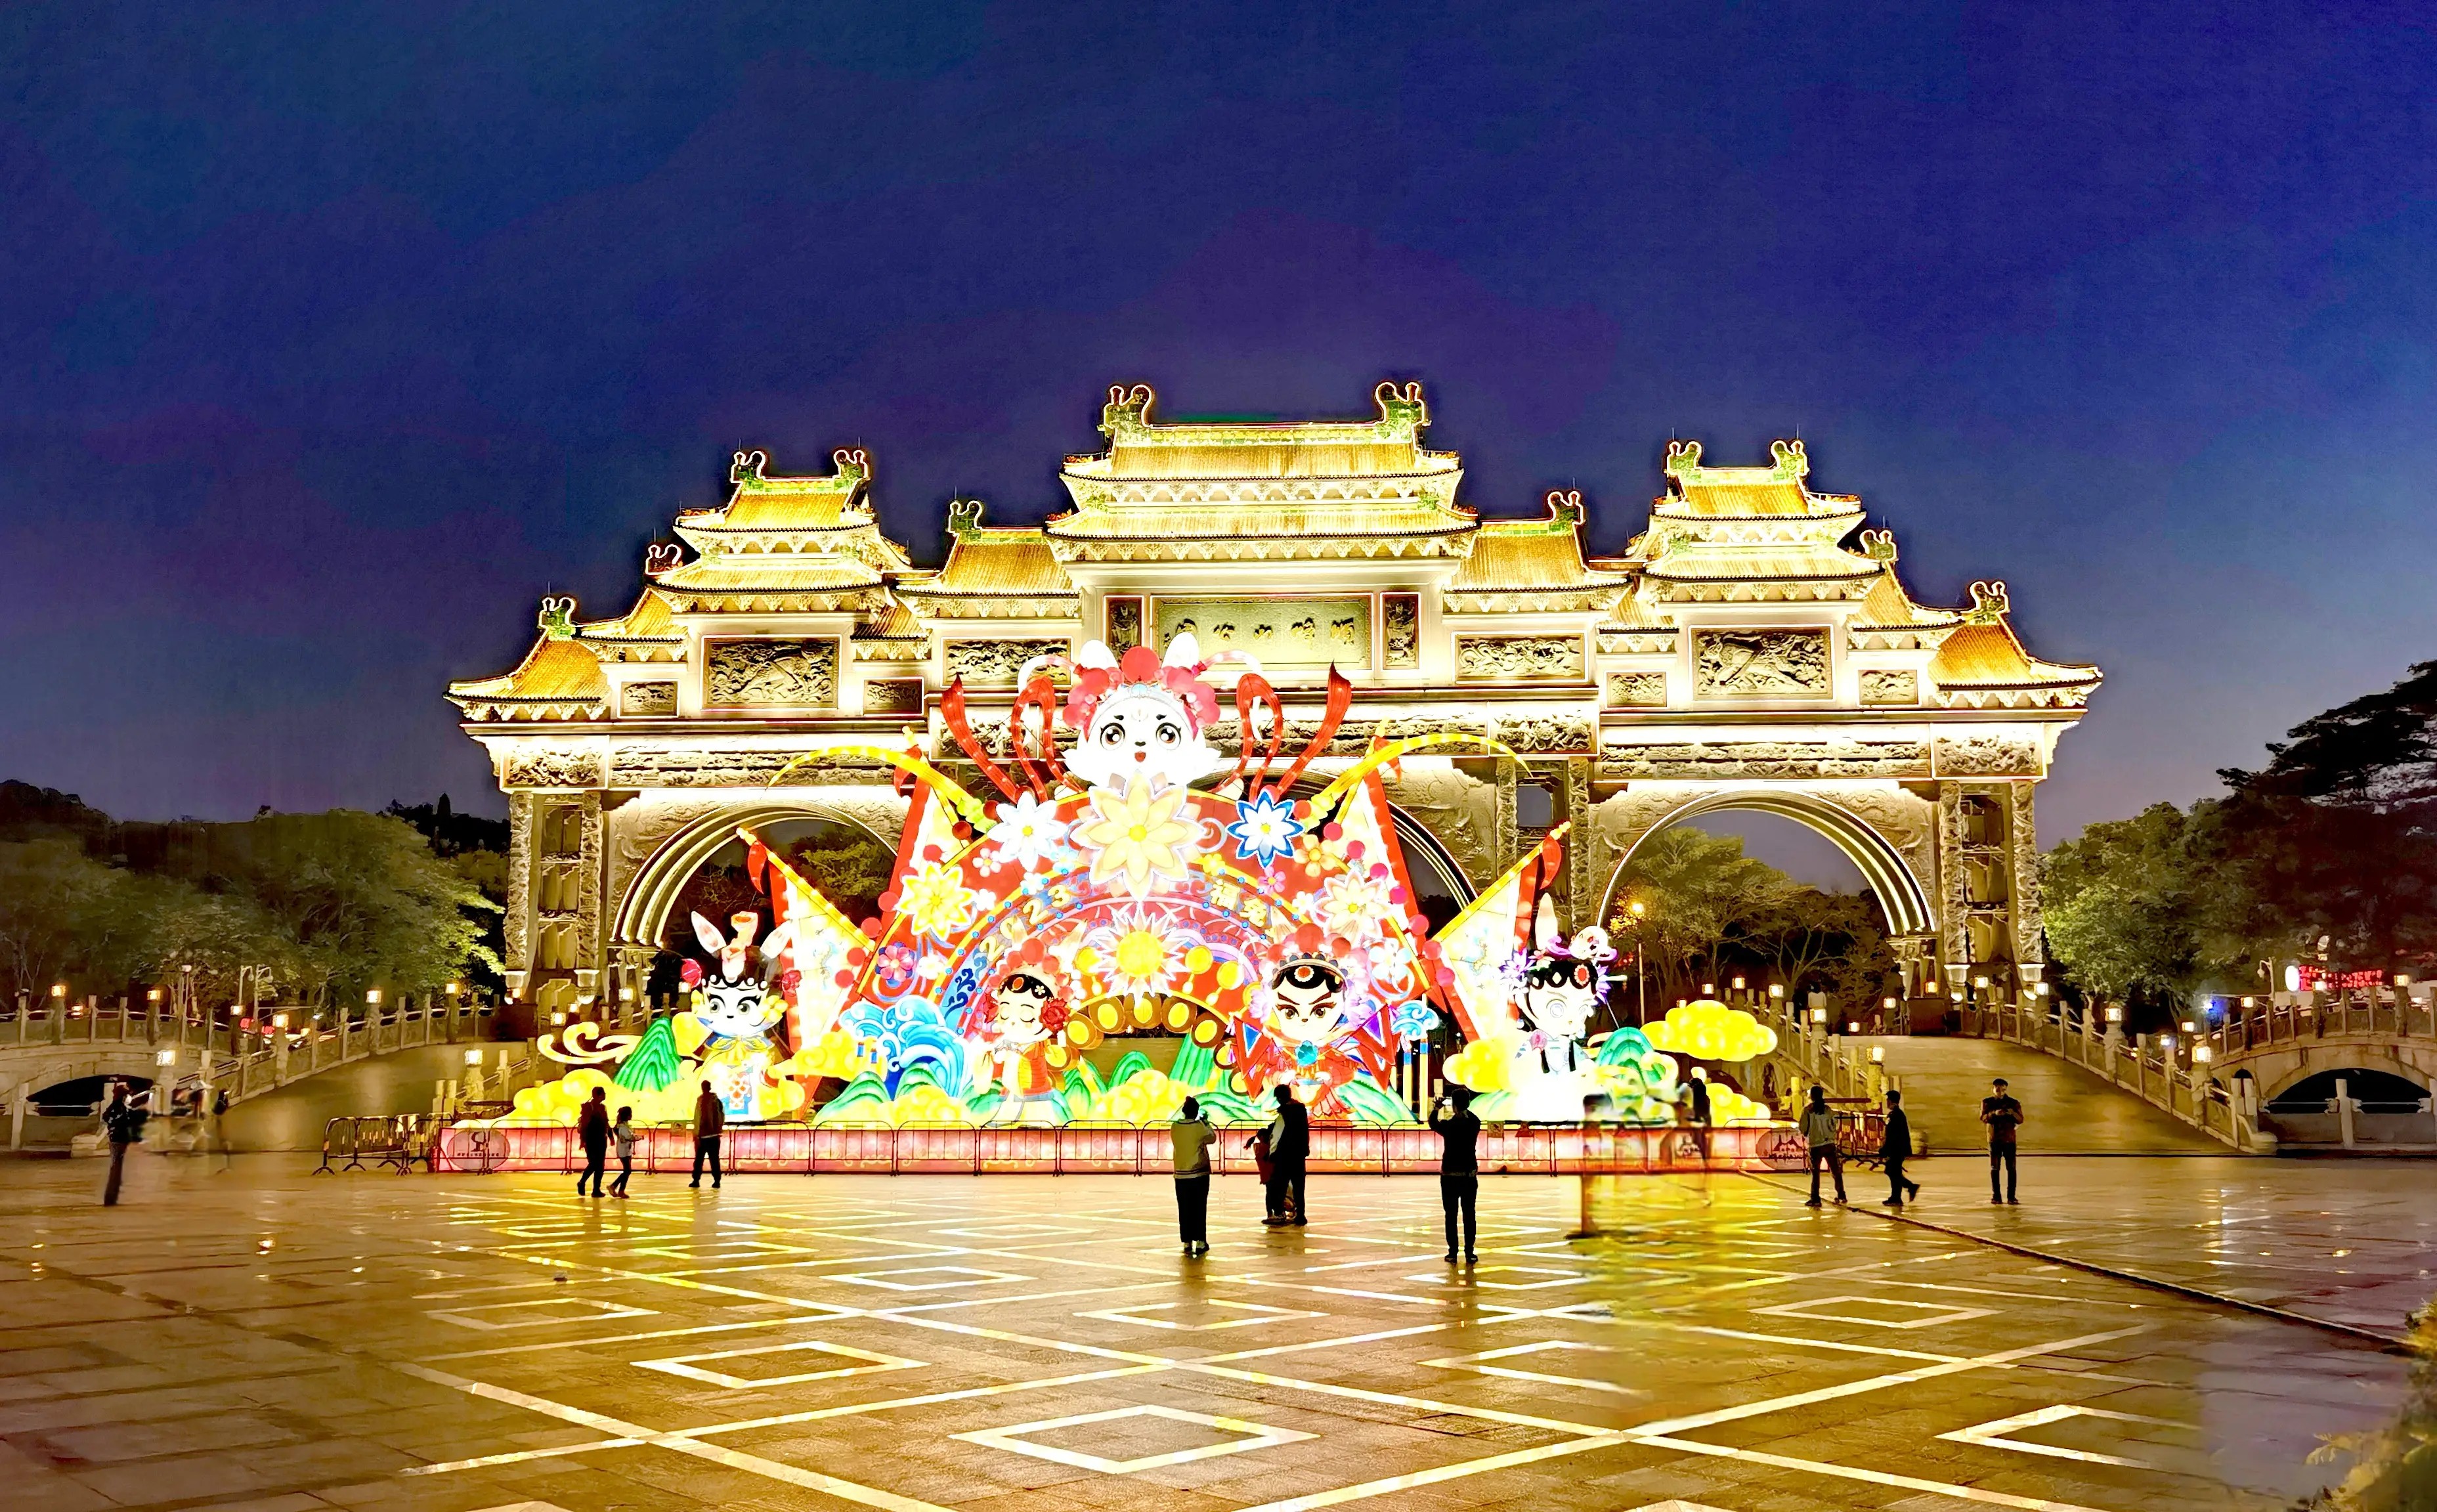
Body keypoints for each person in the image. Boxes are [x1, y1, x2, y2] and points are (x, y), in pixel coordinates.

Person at [1429, 1086, 1480, 1264]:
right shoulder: (1474, 1122)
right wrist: (1463, 1109)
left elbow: (1433, 1123)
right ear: (1468, 1104)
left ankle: (1452, 1252)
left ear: (1453, 1105)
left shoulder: (1449, 1125)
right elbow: (1471, 1118)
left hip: (1449, 1176)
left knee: (1451, 1215)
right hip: (1468, 1175)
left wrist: (1437, 1108)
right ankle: (1470, 1252)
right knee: (1469, 1214)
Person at [1171, 1096, 1215, 1255]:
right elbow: (1212, 1138)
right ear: (1196, 1112)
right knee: (1199, 1208)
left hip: (1180, 1174)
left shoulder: (1175, 1127)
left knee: (1184, 1208)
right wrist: (1205, 1123)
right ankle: (1201, 1241)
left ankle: (1187, 1242)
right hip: (1199, 1173)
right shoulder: (1199, 1127)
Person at [1263, 1085, 1309, 1226]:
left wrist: (1272, 1154)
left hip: (1284, 1155)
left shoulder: (1285, 1113)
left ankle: (1279, 1214)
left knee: (1280, 1186)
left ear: (1280, 1098)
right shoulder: (1301, 1110)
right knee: (1299, 1187)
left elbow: (1277, 1136)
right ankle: (1300, 1215)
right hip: (1299, 1155)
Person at [100, 1082, 146, 1207]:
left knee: (117, 1168)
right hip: (118, 1139)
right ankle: (110, 1198)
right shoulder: (118, 1107)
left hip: (119, 1139)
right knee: (115, 1169)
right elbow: (114, 1119)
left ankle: (112, 1197)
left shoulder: (120, 1107)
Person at [1800, 1085, 1845, 1207]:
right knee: (1836, 1170)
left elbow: (1803, 1128)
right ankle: (1842, 1194)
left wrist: (1807, 1134)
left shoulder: (1808, 1110)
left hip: (1816, 1144)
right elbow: (1834, 1125)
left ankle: (1815, 1198)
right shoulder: (1828, 1109)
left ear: (1812, 1096)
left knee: (1816, 1172)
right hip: (1829, 1143)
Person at [1982, 1077, 2024, 1204]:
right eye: (1998, 1090)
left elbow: (2020, 1119)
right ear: (1994, 1089)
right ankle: (1996, 1196)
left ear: (2006, 1089)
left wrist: (2012, 1113)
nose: (2000, 1092)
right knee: (1995, 1169)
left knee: (2011, 1169)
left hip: (2009, 1140)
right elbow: (1983, 1118)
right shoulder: (1987, 1102)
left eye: (2003, 1090)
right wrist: (1994, 1113)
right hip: (1994, 1140)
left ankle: (2011, 1197)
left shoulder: (2013, 1103)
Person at [1881, 1089, 1919, 1207]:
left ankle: (1906, 1190)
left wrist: (1885, 1149)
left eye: (1887, 1099)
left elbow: (1893, 1135)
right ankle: (1898, 1195)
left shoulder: (1896, 1115)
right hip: (1897, 1149)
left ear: (1891, 1100)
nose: (1886, 1102)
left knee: (1892, 1171)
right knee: (1893, 1172)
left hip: (1896, 1150)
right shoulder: (1896, 1114)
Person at [691, 1080, 725, 1189]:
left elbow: (697, 1118)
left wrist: (696, 1133)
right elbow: (721, 1116)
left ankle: (698, 1180)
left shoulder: (702, 1101)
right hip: (710, 1136)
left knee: (701, 1159)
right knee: (711, 1159)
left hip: (705, 1136)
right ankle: (715, 1181)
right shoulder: (714, 1101)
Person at [576, 1087, 611, 1197]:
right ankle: (582, 1182)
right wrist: (583, 1140)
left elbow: (606, 1123)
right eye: (603, 1093)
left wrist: (610, 1136)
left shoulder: (603, 1107)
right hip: (591, 1140)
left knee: (600, 1166)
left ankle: (596, 1190)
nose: (605, 1095)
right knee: (594, 1164)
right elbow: (585, 1124)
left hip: (601, 1139)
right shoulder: (589, 1107)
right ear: (598, 1095)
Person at [608, 1105, 639, 1198]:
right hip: (623, 1151)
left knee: (627, 1171)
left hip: (627, 1150)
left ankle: (621, 1190)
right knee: (627, 1171)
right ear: (627, 1115)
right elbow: (628, 1137)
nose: (632, 1115)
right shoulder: (622, 1127)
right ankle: (614, 1186)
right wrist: (637, 1138)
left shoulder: (625, 1125)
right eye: (630, 1114)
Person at [1685, 1067, 1714, 1165]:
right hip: (1705, 1120)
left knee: (1698, 1140)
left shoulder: (1693, 1097)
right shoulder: (1705, 1098)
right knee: (1703, 1140)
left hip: (1697, 1120)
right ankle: (1705, 1158)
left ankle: (1703, 1158)